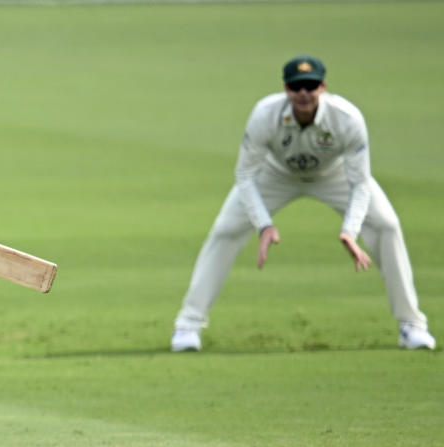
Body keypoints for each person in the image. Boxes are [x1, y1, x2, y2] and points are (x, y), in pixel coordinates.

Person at [171, 55, 436, 352]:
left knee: (387, 225)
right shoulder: (264, 115)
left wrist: (350, 229)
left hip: (333, 175)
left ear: (323, 87)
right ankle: (187, 326)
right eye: (297, 87)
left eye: (311, 86)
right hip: (275, 174)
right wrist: (264, 224)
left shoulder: (347, 118)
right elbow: (245, 175)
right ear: (286, 89)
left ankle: (411, 325)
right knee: (225, 230)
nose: (304, 94)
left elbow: (360, 182)